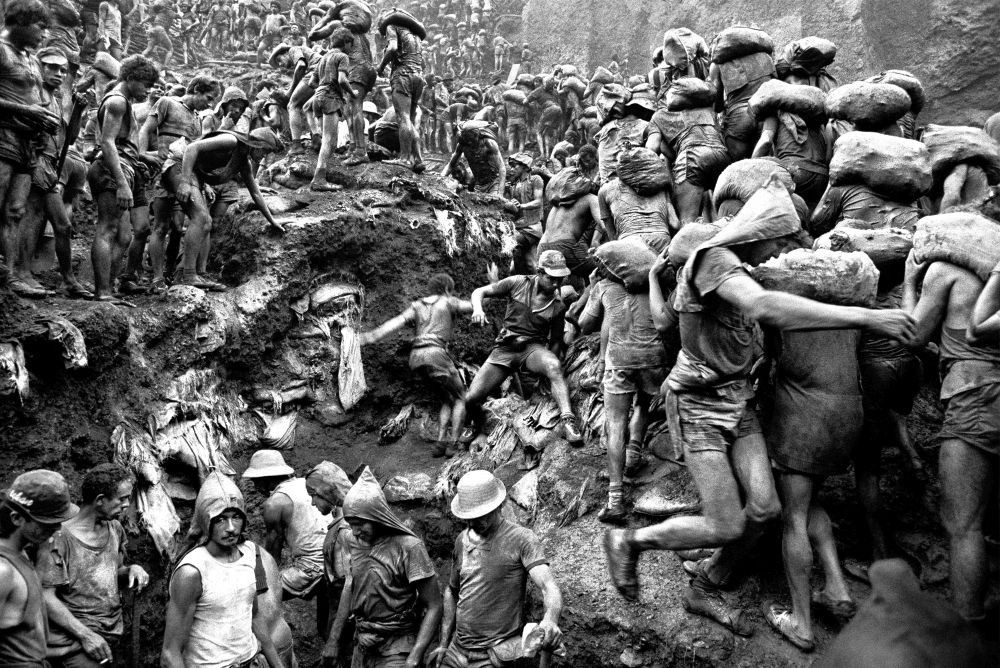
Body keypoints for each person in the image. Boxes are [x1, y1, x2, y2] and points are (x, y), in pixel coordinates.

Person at [603, 175, 916, 636]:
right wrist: (869, 317)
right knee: (727, 522)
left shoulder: (744, 268)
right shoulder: (713, 261)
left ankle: (709, 579)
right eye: (781, 241)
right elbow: (765, 308)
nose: (782, 252)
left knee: (766, 511)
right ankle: (630, 539)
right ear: (758, 234)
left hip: (739, 403)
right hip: (699, 408)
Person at [901, 249, 1000, 627]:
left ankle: (965, 633)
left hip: (975, 397)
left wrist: (910, 282)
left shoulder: (947, 269)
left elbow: (912, 334)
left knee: (964, 525)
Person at [430, 470, 563, 668]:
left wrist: (550, 619)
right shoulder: (462, 540)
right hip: (456, 651)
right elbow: (452, 590)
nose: (479, 522)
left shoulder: (521, 539)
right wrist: (443, 644)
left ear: (499, 505)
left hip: (493, 655)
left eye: (485, 514)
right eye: (473, 517)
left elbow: (548, 586)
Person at [454, 250, 583, 445]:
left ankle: (568, 420)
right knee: (471, 398)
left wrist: (547, 372)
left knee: (553, 366)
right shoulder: (517, 283)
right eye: (552, 278)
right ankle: (475, 424)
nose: (556, 284)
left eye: (560, 280)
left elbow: (556, 341)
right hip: (504, 349)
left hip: (532, 349)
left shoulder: (558, 305)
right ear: (539, 272)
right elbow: (479, 292)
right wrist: (478, 309)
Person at [161, 472, 288, 668]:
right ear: (206, 521)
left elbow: (253, 617)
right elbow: (170, 653)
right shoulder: (192, 571)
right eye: (220, 519)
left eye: (236, 517)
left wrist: (276, 665)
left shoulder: (248, 556)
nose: (230, 528)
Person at [579, 263, 668, 523]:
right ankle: (634, 454)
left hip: (619, 360)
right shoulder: (655, 284)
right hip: (653, 358)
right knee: (642, 404)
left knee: (615, 424)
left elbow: (584, 324)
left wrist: (592, 285)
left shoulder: (604, 286)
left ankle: (615, 502)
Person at [35, 464, 149, 668]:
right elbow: (45, 597)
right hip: (75, 643)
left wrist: (132, 570)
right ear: (99, 500)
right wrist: (86, 636)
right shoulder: (59, 539)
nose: (126, 504)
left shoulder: (114, 527)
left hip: (110, 634)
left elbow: (114, 573)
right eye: (122, 498)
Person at [326, 467, 442, 668]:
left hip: (397, 645)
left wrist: (415, 655)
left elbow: (434, 605)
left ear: (377, 517)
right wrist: (333, 639)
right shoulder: (351, 541)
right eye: (351, 524)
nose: (355, 531)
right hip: (362, 642)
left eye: (360, 524)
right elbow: (349, 585)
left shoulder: (408, 547)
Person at [359, 273, 474, 455]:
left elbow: (395, 322)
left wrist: (370, 337)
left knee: (447, 398)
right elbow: (473, 306)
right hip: (435, 353)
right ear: (446, 289)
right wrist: (492, 285)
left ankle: (440, 442)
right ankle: (454, 444)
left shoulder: (417, 305)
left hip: (416, 357)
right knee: (461, 397)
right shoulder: (448, 302)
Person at [164, 126, 285, 289]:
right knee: (202, 219)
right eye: (265, 151)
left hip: (193, 174)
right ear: (257, 144)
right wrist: (185, 182)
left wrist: (272, 220)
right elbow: (192, 148)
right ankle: (189, 276)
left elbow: (255, 193)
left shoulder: (244, 162)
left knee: (206, 224)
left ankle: (182, 273)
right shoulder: (231, 141)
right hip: (180, 167)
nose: (264, 156)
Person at [130, 74, 218, 293]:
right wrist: (142, 154)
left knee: (181, 226)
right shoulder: (167, 102)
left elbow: (194, 151)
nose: (210, 104)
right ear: (196, 89)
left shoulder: (197, 118)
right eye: (208, 97)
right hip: (164, 172)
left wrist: (203, 182)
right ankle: (158, 279)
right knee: (160, 226)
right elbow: (146, 129)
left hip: (183, 172)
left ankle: (181, 273)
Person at [16, 46, 92, 299]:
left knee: (62, 224)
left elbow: (68, 139)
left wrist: (79, 110)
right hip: (33, 160)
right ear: (39, 66)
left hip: (50, 165)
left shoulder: (57, 100)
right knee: (34, 216)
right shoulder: (32, 93)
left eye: (63, 69)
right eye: (51, 67)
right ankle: (23, 273)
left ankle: (67, 279)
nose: (59, 74)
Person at [87, 54, 161, 302]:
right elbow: (107, 143)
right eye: (145, 84)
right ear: (130, 78)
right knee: (107, 228)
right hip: (111, 170)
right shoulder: (117, 101)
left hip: (125, 167)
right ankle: (102, 292)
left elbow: (122, 143)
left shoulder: (124, 101)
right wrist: (121, 183)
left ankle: (110, 288)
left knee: (126, 235)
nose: (147, 91)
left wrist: (144, 159)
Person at [0, 0, 61, 299]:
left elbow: (35, 99)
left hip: (28, 142)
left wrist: (43, 118)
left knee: (15, 211)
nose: (44, 34)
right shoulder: (1, 49)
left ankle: (9, 277)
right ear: (21, 22)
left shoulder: (29, 57)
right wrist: (30, 111)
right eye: (41, 27)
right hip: (3, 138)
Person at [0, 470, 78, 667]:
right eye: (47, 524)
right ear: (17, 518)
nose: (58, 529)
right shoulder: (3, 571)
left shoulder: (23, 551)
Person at [242, 449, 330, 601]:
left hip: (311, 569)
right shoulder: (307, 484)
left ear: (266, 478)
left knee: (255, 595)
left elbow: (272, 557)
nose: (255, 486)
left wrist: (260, 584)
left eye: (256, 480)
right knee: (327, 604)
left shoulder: (273, 504)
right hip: (336, 560)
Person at [647, 78, 731, 221]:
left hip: (692, 158)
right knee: (722, 219)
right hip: (722, 155)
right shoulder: (708, 110)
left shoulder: (658, 116)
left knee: (687, 221)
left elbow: (651, 148)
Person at [304, 461, 354, 665]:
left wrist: (333, 640)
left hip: (344, 626)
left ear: (326, 492)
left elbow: (346, 587)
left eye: (314, 495)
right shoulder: (342, 524)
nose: (312, 503)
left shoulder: (344, 532)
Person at [706, 42, 775, 160]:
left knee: (738, 169)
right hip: (764, 114)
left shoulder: (719, 63)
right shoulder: (766, 57)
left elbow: (717, 106)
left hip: (739, 118)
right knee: (765, 166)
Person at [376, 12, 426, 172]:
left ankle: (405, 158)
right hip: (418, 77)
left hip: (403, 77)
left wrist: (381, 66)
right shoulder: (416, 35)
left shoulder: (392, 27)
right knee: (410, 120)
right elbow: (422, 62)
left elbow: (392, 48)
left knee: (402, 118)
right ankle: (418, 159)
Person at [309, 27, 353, 192]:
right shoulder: (342, 57)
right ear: (346, 42)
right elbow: (342, 80)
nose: (351, 48)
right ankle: (318, 179)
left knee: (328, 140)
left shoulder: (323, 58)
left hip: (318, 98)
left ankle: (321, 173)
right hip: (331, 98)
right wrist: (351, 92)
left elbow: (311, 83)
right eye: (351, 44)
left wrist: (322, 88)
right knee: (329, 140)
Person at [537, 169, 601, 280]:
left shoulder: (558, 204)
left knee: (551, 283)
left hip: (542, 247)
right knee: (601, 272)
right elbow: (604, 223)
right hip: (564, 245)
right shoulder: (591, 198)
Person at [504, 152, 545, 274]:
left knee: (511, 244)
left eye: (515, 166)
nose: (512, 169)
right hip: (519, 227)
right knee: (531, 263)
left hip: (532, 228)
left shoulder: (535, 180)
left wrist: (522, 206)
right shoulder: (514, 184)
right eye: (511, 166)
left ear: (524, 166)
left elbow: (538, 201)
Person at [440, 120, 505, 194]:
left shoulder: (489, 143)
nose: (469, 142)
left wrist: (500, 193)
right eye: (466, 139)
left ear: (477, 135)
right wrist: (441, 177)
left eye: (471, 139)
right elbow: (451, 165)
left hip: (493, 183)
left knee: (495, 202)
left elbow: (502, 168)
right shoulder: (462, 145)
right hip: (478, 185)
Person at [257, 1, 288, 66]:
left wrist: (282, 27)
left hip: (276, 36)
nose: (273, 8)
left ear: (278, 9)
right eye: (272, 7)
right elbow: (264, 26)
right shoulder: (268, 16)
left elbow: (288, 26)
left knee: (275, 51)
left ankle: (276, 65)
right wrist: (261, 33)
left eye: (275, 7)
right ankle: (258, 64)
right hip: (268, 36)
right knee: (260, 48)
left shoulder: (281, 16)